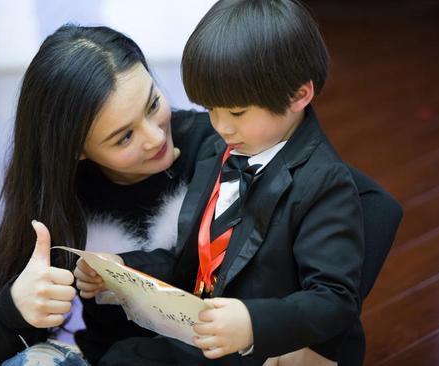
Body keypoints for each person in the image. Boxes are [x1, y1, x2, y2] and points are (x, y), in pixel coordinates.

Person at [77, 0, 377, 364]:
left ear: (299, 95)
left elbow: (335, 299)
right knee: (121, 355)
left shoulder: (324, 182)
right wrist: (122, 268)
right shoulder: (221, 151)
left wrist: (252, 322)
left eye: (235, 112)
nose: (220, 126)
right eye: (210, 109)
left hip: (272, 346)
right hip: (208, 328)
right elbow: (190, 258)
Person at [0, 24, 216, 366]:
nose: (154, 138)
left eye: (152, 105)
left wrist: (125, 268)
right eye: (124, 138)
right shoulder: (62, 192)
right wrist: (17, 306)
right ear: (76, 151)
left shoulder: (218, 151)